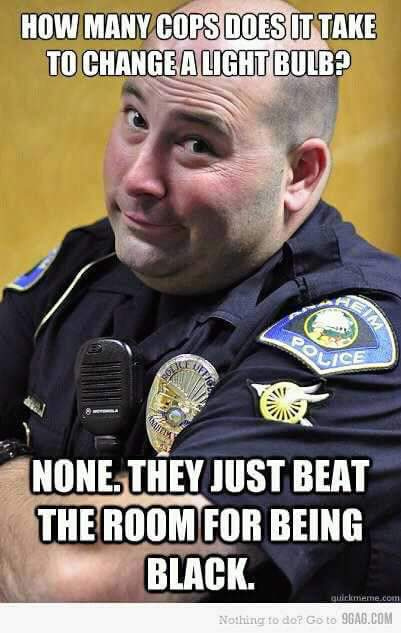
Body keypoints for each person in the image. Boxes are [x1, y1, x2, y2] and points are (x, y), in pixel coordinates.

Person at [1, 0, 401, 602]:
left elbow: (81, 586)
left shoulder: (360, 340)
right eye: (136, 118)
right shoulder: (84, 268)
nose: (138, 178)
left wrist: (10, 464)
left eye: (196, 143)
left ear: (299, 174)